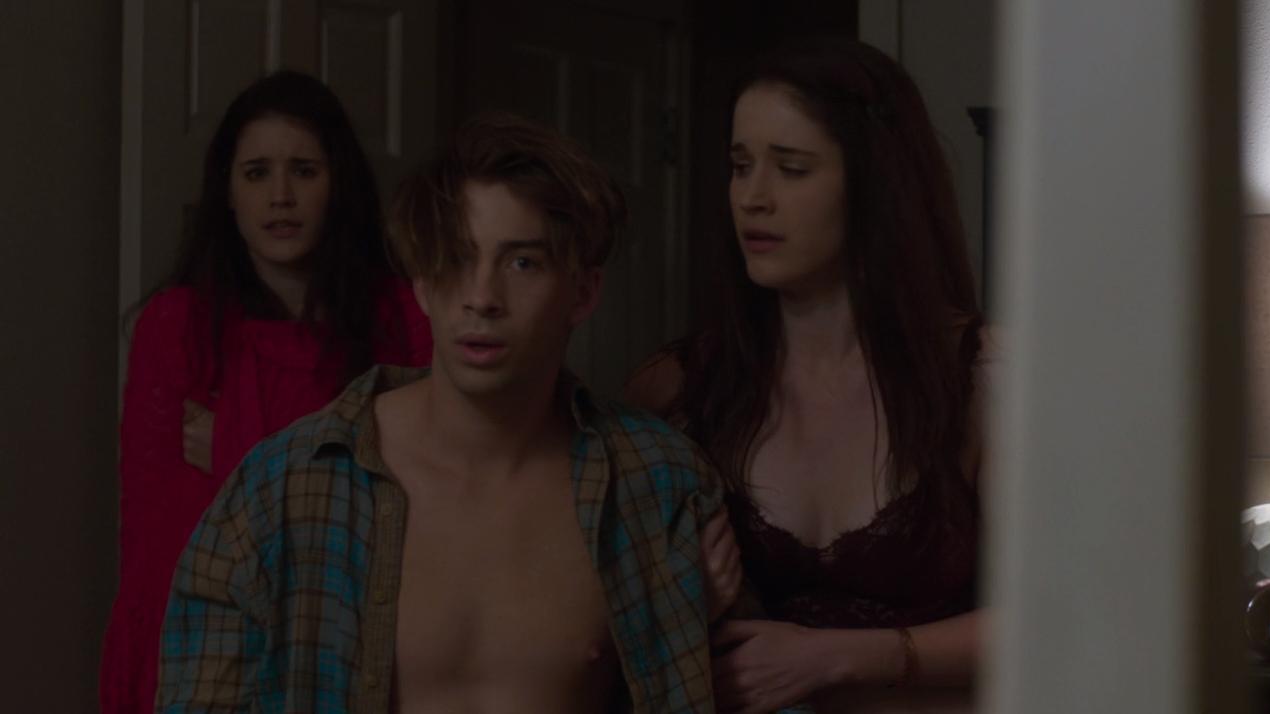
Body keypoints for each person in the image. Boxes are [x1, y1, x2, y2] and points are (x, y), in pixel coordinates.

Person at [154, 114, 728, 713]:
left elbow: (749, 688)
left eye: (522, 263)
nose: (481, 298)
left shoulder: (657, 486)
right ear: (423, 284)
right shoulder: (280, 490)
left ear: (583, 293)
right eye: (456, 259)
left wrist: (683, 614)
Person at [626, 37, 993, 713]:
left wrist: (838, 657)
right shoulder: (680, 387)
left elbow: (1061, 614)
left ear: (876, 184)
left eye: (791, 169)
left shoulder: (982, 379)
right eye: (740, 167)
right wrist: (678, 594)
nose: (752, 198)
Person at [100, 71, 432, 713]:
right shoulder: (176, 325)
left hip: (359, 642)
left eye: (304, 171)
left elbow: (414, 499)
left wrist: (237, 444)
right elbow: (157, 538)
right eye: (256, 173)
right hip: (209, 650)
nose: (281, 196)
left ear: (338, 182)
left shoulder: (404, 319)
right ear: (227, 192)